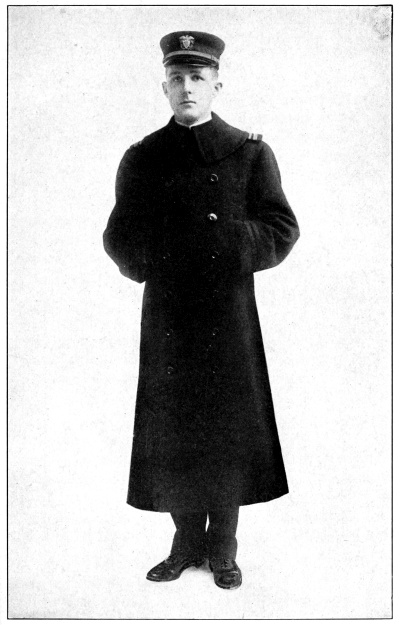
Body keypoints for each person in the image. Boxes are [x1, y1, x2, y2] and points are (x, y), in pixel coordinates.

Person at [103, 30, 300, 590]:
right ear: (164, 88)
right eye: (177, 78)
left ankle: (224, 547)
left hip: (227, 313)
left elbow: (281, 227)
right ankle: (185, 542)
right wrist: (158, 256)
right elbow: (119, 235)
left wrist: (232, 241)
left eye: (197, 77)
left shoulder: (250, 152)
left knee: (226, 425)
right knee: (173, 425)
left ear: (217, 85)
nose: (187, 87)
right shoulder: (143, 157)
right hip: (168, 315)